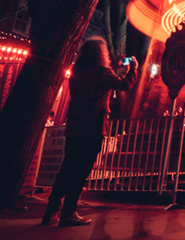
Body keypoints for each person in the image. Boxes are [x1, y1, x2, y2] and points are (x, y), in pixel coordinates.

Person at [42, 38, 136, 226]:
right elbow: (124, 85)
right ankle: (69, 212)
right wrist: (133, 69)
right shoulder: (102, 72)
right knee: (81, 171)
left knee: (67, 168)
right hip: (93, 126)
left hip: (75, 125)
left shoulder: (77, 71)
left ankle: (51, 211)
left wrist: (117, 68)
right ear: (101, 54)